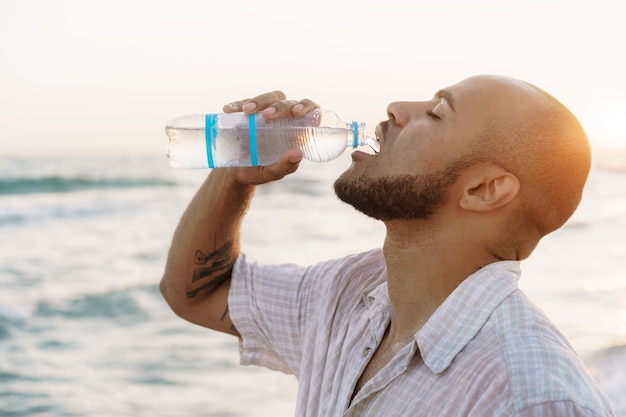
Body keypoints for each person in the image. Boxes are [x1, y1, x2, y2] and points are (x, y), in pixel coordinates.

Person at [160, 75, 617, 416]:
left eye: (437, 113)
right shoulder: (344, 294)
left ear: (483, 190)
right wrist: (235, 169)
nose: (397, 107)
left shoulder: (527, 397)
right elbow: (196, 293)